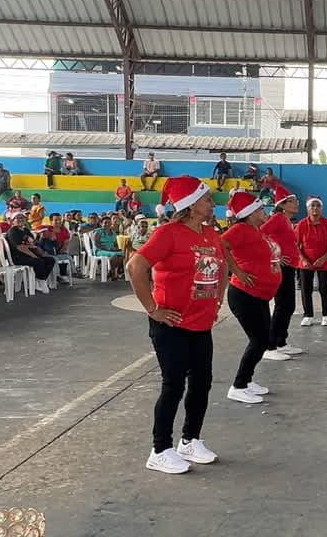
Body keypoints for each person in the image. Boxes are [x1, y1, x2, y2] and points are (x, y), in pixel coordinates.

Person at [127, 175, 226, 474]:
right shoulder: (168, 234)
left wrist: (217, 300)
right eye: (206, 199)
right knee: (173, 385)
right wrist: (153, 309)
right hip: (172, 324)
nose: (212, 203)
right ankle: (160, 449)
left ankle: (190, 440)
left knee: (202, 382)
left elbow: (222, 267)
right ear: (191, 205)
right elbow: (135, 266)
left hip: (201, 324)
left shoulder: (210, 234)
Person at [221, 191, 282, 405]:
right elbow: (221, 245)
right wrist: (237, 271)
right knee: (259, 340)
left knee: (263, 339)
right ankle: (238, 386)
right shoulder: (239, 229)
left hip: (259, 295)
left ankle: (246, 381)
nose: (264, 212)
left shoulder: (256, 230)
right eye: (260, 209)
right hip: (245, 295)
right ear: (250, 213)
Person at [260, 185, 303, 360]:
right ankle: (269, 346)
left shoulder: (286, 220)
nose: (296, 203)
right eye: (292, 201)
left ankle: (281, 341)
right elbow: (260, 233)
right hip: (282, 268)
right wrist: (274, 256)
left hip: (290, 266)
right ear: (283, 204)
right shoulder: (277, 218)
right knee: (282, 305)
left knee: (288, 305)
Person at [295, 196, 327, 327]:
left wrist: (323, 258)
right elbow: (296, 245)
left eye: (318, 206)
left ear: (322, 209)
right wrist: (303, 259)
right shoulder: (301, 224)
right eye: (312, 206)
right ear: (307, 209)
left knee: (324, 289)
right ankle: (308, 315)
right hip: (306, 262)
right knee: (306, 289)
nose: (315, 208)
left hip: (324, 261)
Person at [5, 212, 55, 294]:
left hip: (29, 255)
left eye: (22, 218)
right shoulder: (13, 232)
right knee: (39, 261)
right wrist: (34, 256)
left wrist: (39, 245)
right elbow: (20, 247)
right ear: (13, 221)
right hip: (18, 257)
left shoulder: (26, 230)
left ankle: (39, 279)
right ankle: (41, 281)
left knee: (50, 260)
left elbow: (33, 244)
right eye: (18, 218)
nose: (21, 219)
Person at [94, 216, 125, 280]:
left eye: (109, 223)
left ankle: (111, 271)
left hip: (111, 250)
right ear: (101, 224)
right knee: (114, 255)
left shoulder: (113, 232)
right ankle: (113, 272)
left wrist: (117, 248)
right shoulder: (98, 232)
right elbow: (97, 244)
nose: (107, 224)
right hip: (100, 250)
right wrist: (108, 248)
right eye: (105, 223)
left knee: (122, 254)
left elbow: (115, 243)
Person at [47, 213, 73, 282]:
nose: (58, 222)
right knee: (54, 258)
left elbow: (66, 243)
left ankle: (65, 275)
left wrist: (61, 250)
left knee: (67, 257)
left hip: (59, 252)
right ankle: (56, 276)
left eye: (59, 220)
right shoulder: (46, 229)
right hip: (49, 253)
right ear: (51, 221)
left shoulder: (64, 230)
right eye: (56, 220)